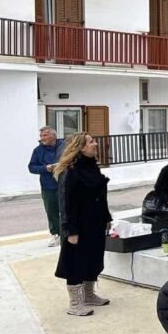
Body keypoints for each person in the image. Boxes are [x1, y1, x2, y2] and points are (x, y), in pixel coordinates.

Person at [54, 133, 112, 316]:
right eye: (91, 142)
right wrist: (70, 230)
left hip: (95, 222)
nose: (95, 144)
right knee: (75, 261)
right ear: (80, 147)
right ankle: (75, 304)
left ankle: (89, 295)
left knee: (94, 258)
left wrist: (106, 218)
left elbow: (100, 197)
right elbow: (66, 203)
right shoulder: (70, 171)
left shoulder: (92, 167)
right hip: (78, 225)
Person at [29, 126, 65, 246]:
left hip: (65, 184)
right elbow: (31, 167)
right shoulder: (37, 150)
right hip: (48, 186)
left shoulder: (64, 147)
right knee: (51, 212)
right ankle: (56, 234)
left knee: (67, 210)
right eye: (41, 136)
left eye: (45, 135)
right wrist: (45, 168)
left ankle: (68, 233)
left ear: (53, 136)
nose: (42, 138)